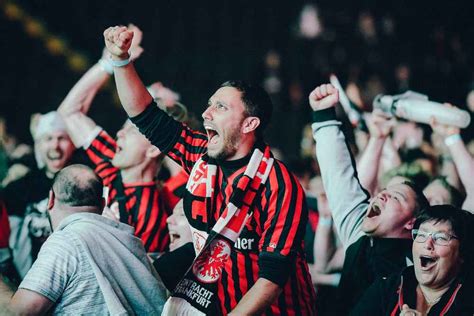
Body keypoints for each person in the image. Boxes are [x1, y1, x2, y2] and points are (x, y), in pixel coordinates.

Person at [103, 25, 315, 315]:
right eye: (208, 104)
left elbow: (272, 280)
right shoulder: (202, 155)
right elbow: (146, 116)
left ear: (249, 124)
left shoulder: (278, 184)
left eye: (220, 107)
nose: (206, 113)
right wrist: (120, 60)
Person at [57, 25, 186, 253]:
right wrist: (110, 63)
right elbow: (69, 112)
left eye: (132, 130)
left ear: (153, 150)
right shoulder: (112, 162)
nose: (119, 133)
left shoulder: (152, 212)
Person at [309, 83, 429, 315]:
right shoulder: (359, 233)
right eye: (385, 190)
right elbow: (339, 176)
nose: (383, 193)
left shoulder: (421, 266)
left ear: (411, 222)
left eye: (396, 197)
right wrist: (323, 115)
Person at [0, 164, 167, 315]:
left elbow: (18, 313)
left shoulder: (65, 242)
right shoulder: (130, 240)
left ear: (51, 200)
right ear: (103, 204)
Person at [351, 205, 474, 315]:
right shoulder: (387, 288)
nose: (427, 244)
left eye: (440, 238)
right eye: (421, 235)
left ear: (462, 252)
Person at [0, 112, 76, 278]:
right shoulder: (19, 188)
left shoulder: (84, 184)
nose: (55, 145)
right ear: (39, 145)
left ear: (73, 143)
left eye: (62, 138)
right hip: (28, 280)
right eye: (48, 139)